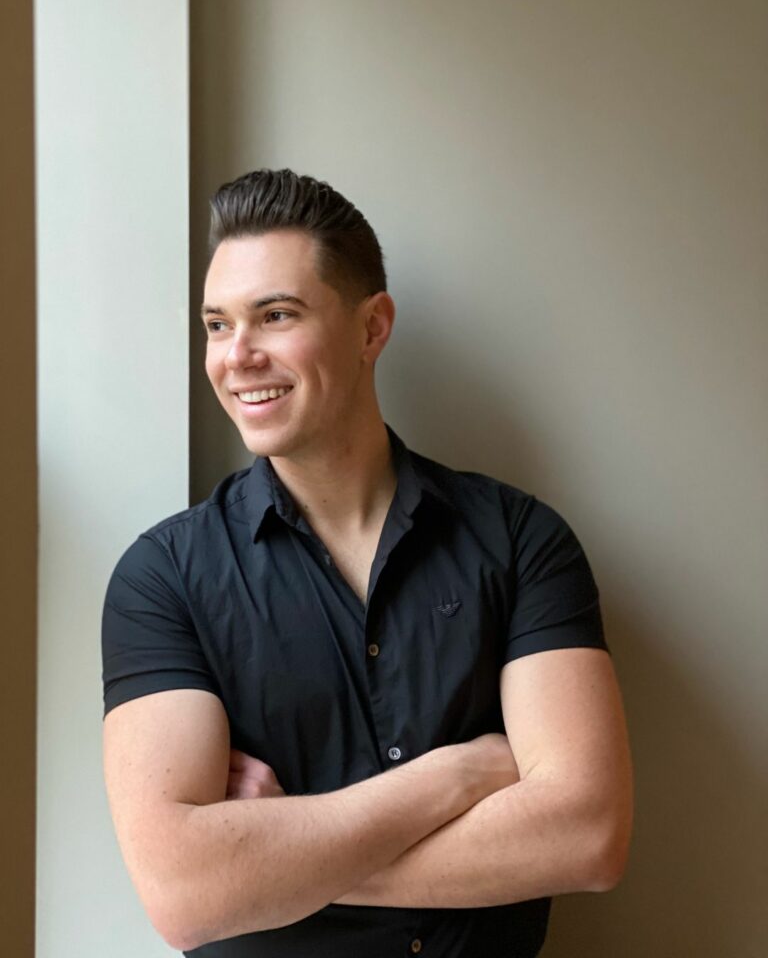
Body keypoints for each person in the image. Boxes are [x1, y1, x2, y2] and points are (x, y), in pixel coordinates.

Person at [102, 168, 633, 958]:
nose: (236, 356)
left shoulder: (522, 540)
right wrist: (454, 780)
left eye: (274, 316)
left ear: (372, 327)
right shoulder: (162, 577)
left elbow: (588, 836)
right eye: (217, 325)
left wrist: (270, 862)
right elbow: (183, 895)